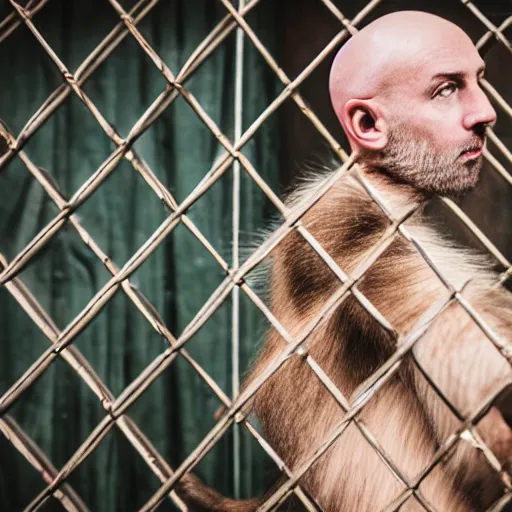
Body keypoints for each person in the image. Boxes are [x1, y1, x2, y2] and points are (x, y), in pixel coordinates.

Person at [175, 11, 511, 511]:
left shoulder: (364, 226)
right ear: (367, 124)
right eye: (446, 89)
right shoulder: (340, 226)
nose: (485, 111)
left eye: (479, 82)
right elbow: (483, 365)